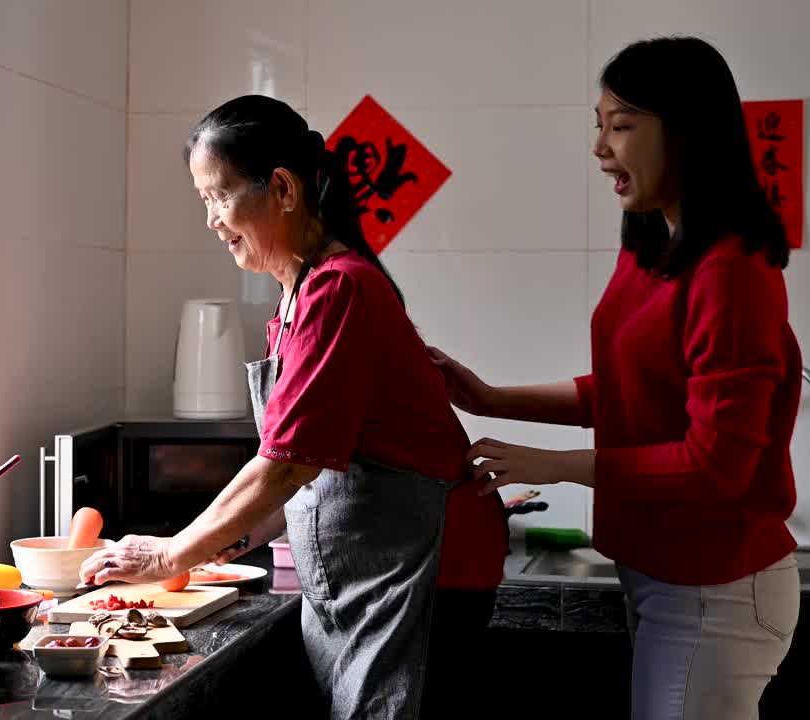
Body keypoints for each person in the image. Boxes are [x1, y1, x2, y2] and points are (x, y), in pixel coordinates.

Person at [80, 95, 508, 720]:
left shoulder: (341, 286)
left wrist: (172, 553)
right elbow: (318, 469)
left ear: (282, 188)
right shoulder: (297, 297)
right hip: (369, 571)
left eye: (219, 196)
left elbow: (288, 463)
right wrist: (237, 535)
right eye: (203, 201)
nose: (211, 220)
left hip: (426, 568)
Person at [431, 36, 802, 720]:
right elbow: (628, 393)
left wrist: (556, 465)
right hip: (664, 576)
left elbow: (716, 463)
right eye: (599, 127)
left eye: (622, 127)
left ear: (685, 133)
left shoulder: (731, 271)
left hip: (716, 589)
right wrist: (489, 397)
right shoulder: (654, 248)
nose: (601, 149)